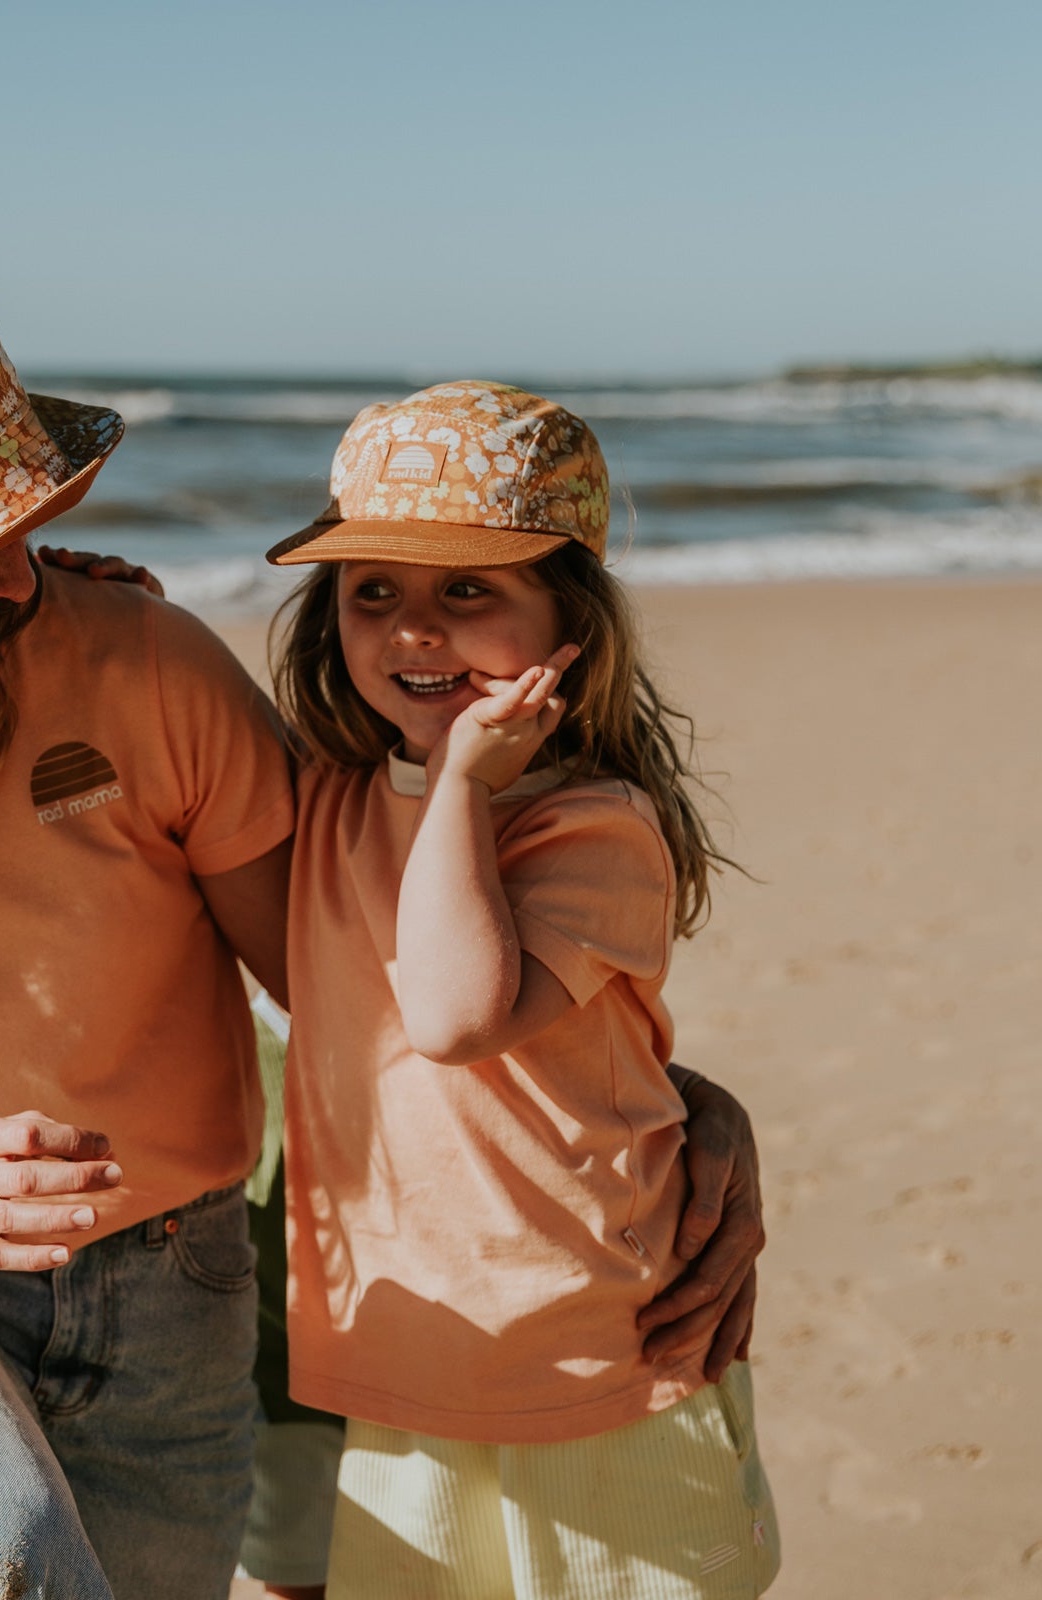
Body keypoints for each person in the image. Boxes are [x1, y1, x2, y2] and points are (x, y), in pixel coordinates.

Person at [0, 246, 763, 1600]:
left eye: (16, 516)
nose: (11, 575)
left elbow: (368, 991)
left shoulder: (138, 663)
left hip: (184, 1280)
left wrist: (677, 1111)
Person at [264, 381, 780, 1599]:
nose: (411, 631)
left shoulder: (592, 830)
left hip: (583, 1332)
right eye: (370, 591)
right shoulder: (329, 797)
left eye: (467, 590)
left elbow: (453, 1015)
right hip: (414, 1343)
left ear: (571, 626)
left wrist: (459, 786)